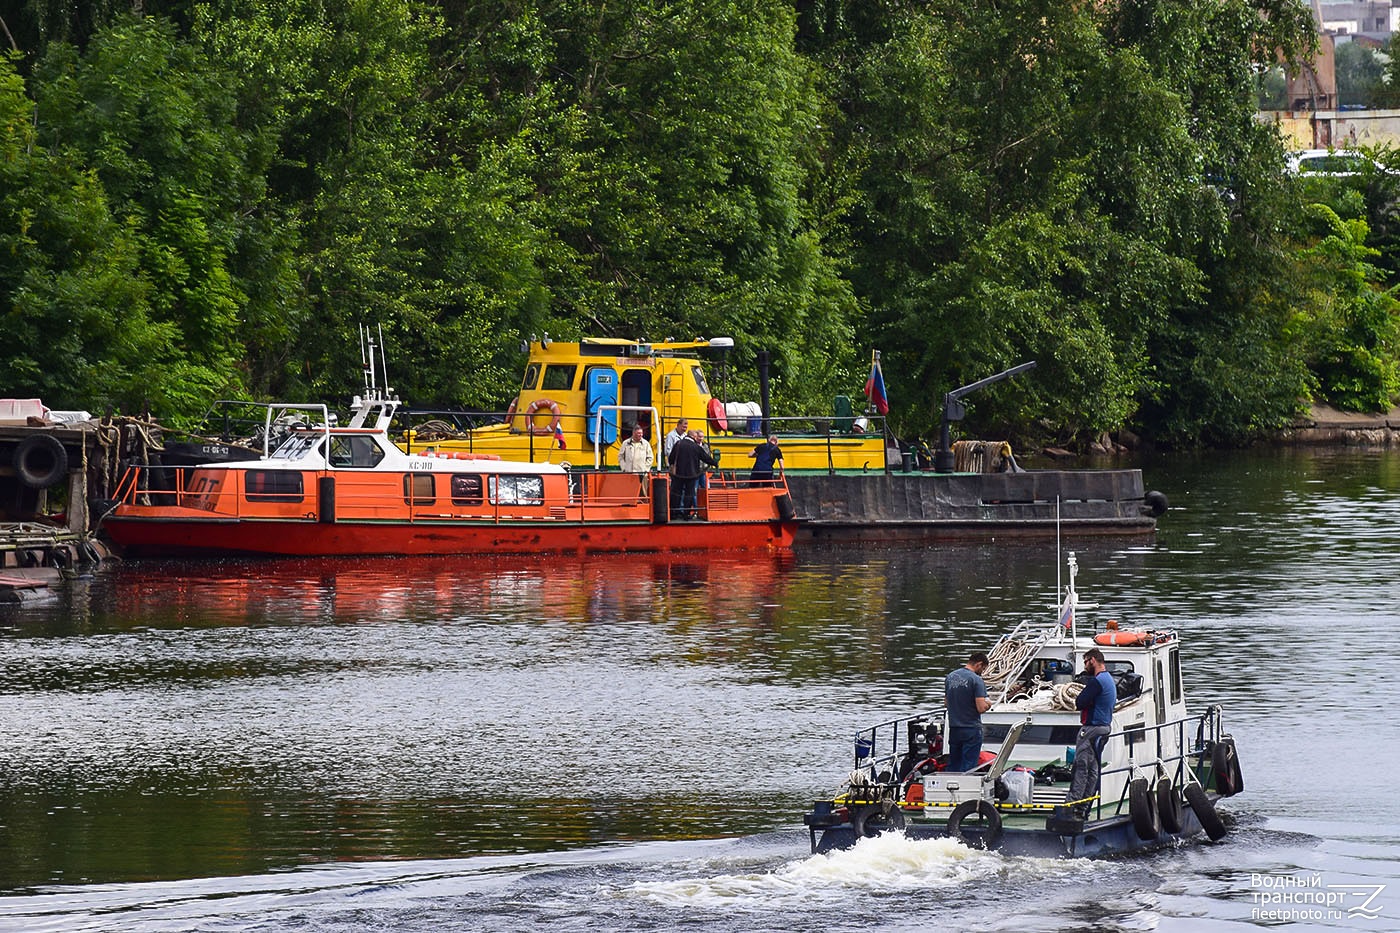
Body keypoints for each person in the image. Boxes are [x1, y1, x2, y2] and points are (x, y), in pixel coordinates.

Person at [1068, 647, 1117, 817]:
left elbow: (1080, 702)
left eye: (1086, 662)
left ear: (1093, 660)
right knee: (1093, 769)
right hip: (1104, 728)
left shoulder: (1096, 681)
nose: (1085, 666)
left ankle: (1072, 806)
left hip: (1091, 729)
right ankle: (1084, 807)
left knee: (1081, 767)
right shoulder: (1109, 679)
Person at [944, 652, 992, 772]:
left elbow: (946, 703)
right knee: (969, 766)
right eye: (983, 668)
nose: (982, 672)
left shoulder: (950, 677)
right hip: (971, 728)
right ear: (979, 664)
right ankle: (965, 789)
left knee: (954, 764)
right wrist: (989, 704)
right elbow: (981, 708)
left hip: (954, 727)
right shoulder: (976, 680)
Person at [669, 430, 717, 519]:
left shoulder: (678, 444)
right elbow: (705, 457)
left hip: (678, 474)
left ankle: (673, 513)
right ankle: (686, 513)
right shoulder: (695, 446)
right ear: (693, 437)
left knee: (676, 493)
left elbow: (671, 457)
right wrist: (715, 463)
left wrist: (672, 465)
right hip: (692, 474)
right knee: (689, 494)